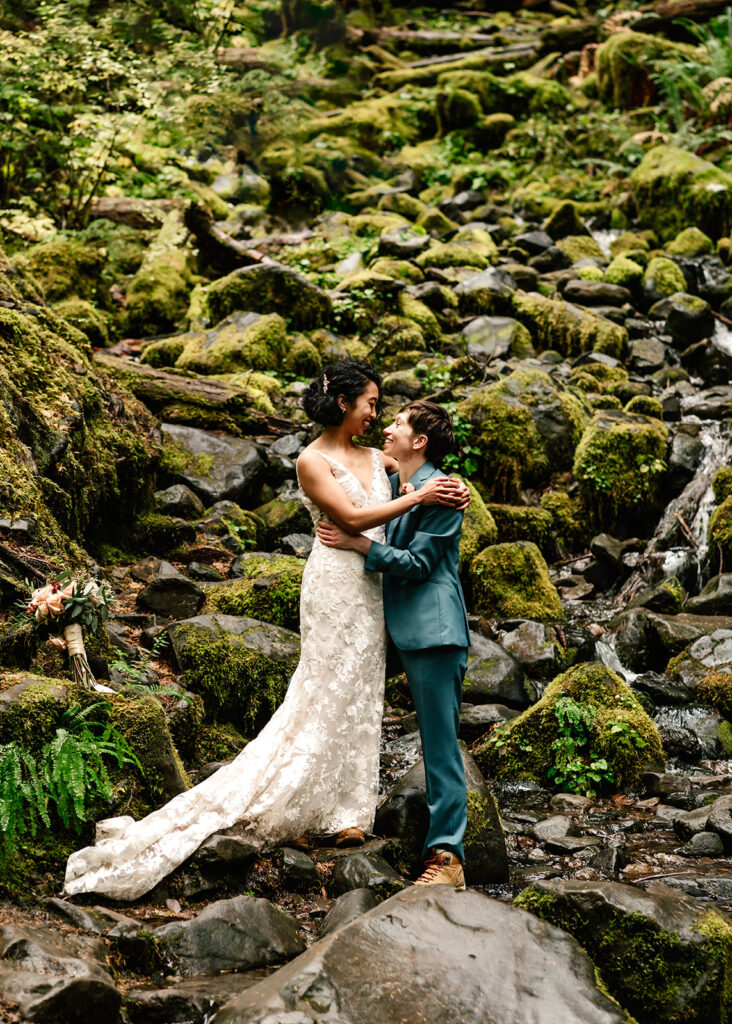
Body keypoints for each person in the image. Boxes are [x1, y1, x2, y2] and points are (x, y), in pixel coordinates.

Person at [63, 361, 467, 901]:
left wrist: (445, 486)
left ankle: (358, 811)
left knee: (361, 692)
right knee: (323, 685)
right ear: (343, 402)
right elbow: (355, 516)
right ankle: (308, 797)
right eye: (372, 403)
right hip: (336, 584)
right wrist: (416, 499)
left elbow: (420, 476)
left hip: (387, 600)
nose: (380, 417)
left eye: (389, 413)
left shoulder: (383, 459)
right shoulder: (311, 460)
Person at [317, 401, 471, 891]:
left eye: (398, 424)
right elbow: (369, 465)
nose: (387, 428)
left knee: (441, 748)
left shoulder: (444, 491)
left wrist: (358, 543)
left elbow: (419, 564)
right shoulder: (405, 479)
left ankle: (448, 858)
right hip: (394, 628)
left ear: (420, 440)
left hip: (433, 633)